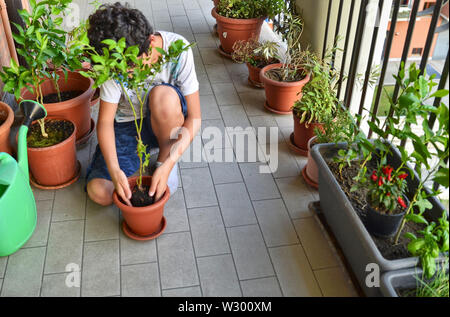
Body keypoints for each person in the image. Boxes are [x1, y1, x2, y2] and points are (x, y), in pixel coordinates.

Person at [85, 2, 201, 206]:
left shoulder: (178, 50)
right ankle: (138, 160)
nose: (127, 73)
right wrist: (114, 169)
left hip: (165, 120)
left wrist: (167, 165)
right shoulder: (114, 62)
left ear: (151, 41)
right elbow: (104, 122)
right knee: (100, 193)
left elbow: (195, 117)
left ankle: (162, 159)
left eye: (131, 65)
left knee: (163, 96)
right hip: (127, 126)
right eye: (121, 68)